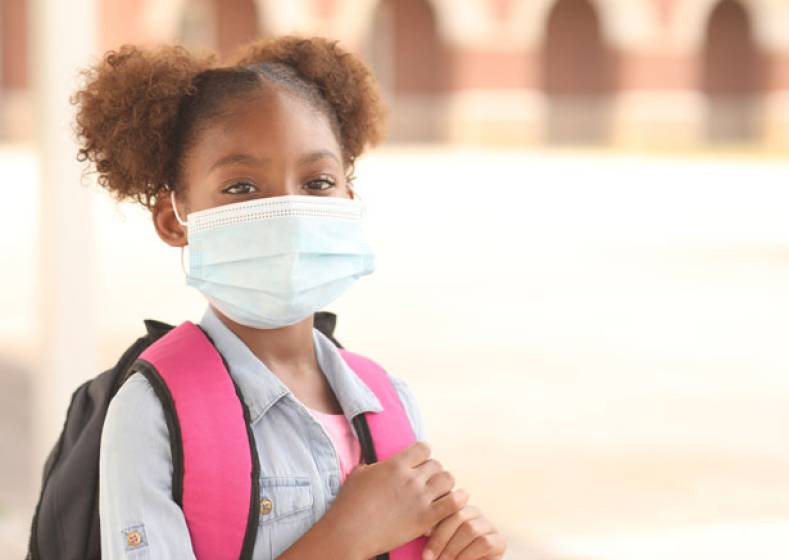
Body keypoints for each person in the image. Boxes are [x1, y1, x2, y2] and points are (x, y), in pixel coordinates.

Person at [74, 35, 506, 560]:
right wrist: (345, 538)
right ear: (174, 219)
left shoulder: (389, 400)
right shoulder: (152, 413)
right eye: (241, 188)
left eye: (317, 181)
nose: (288, 211)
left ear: (349, 198)